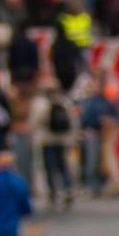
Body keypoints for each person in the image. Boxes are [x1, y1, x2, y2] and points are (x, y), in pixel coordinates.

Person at [32, 80, 78, 209]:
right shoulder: (65, 102)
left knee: (50, 167)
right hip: (62, 140)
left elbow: (35, 121)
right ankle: (67, 188)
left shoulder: (41, 104)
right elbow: (73, 121)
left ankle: (53, 192)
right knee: (63, 165)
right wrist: (72, 137)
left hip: (47, 140)